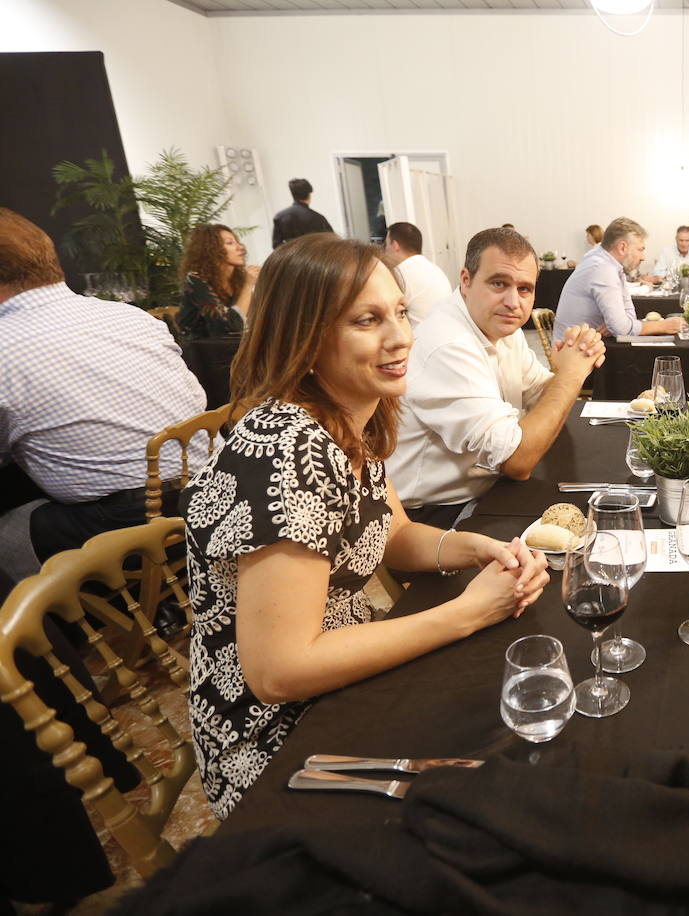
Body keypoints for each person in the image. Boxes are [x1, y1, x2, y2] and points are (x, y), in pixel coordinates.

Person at [180, 233, 549, 818]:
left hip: (345, 677)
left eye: (401, 313)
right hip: (283, 744)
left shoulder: (348, 416)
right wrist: (467, 612)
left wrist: (470, 546)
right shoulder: (283, 450)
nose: (401, 336)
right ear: (304, 335)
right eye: (367, 320)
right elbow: (279, 671)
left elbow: (393, 534)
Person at [0, 208, 207, 582]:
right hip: (212, 495)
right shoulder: (131, 316)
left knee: (8, 532)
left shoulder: (5, 348)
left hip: (133, 528)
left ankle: (50, 635)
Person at [389, 228, 606, 527]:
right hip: (436, 516)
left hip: (486, 489)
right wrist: (571, 373)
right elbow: (518, 461)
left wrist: (574, 355)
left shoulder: (502, 329)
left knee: (597, 506)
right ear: (466, 281)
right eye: (499, 283)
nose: (513, 302)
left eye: (524, 289)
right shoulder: (449, 344)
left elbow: (544, 396)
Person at [553, 217, 684, 339]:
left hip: (587, 343)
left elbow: (627, 317)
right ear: (622, 247)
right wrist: (664, 326)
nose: (643, 257)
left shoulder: (608, 262)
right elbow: (622, 329)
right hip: (574, 354)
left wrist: (619, 326)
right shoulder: (603, 268)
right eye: (640, 249)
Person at [177, 224, 257, 339]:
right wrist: (248, 286)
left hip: (235, 346)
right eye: (230, 243)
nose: (240, 247)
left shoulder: (239, 278)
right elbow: (227, 327)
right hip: (203, 350)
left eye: (237, 242)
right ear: (212, 250)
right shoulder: (195, 279)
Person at [383, 221, 452, 327]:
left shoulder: (399, 274)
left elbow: (386, 316)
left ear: (395, 245)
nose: (384, 252)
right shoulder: (436, 270)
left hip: (422, 340)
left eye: (386, 245)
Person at [271, 178, 333, 249]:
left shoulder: (279, 217)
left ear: (293, 195)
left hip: (292, 259)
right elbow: (331, 242)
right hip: (313, 258)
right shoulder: (318, 218)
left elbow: (276, 246)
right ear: (309, 195)